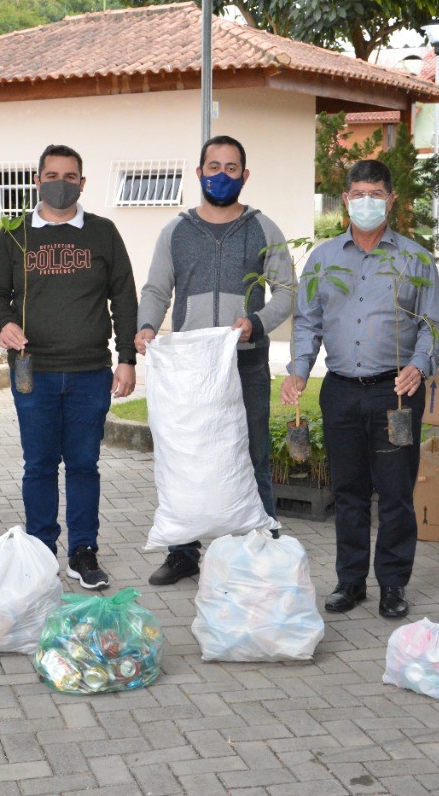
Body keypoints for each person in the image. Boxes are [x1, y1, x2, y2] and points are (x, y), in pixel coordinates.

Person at [283, 159, 439, 618]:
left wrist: (419, 365)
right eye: (358, 194)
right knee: (349, 490)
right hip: (340, 391)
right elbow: (308, 322)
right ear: (346, 202)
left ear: (391, 200)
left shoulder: (414, 259)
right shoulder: (323, 258)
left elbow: (435, 325)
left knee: (395, 492)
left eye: (375, 194)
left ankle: (393, 584)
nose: (366, 202)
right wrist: (298, 370)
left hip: (395, 394)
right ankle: (350, 582)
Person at [136, 134, 296, 585]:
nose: (221, 175)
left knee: (254, 454)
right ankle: (183, 553)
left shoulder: (265, 229)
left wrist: (257, 324)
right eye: (213, 167)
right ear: (199, 172)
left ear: (244, 176)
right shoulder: (176, 231)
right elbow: (155, 290)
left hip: (244, 362)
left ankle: (261, 546)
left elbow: (286, 291)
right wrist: (147, 325)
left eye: (231, 168)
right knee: (187, 456)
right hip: (191, 369)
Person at [0, 144, 138, 589]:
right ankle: (40, 549)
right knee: (39, 465)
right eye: (52, 174)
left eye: (70, 176)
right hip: (35, 373)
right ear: (37, 180)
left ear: (83, 183)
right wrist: (5, 323)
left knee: (85, 464)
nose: (61, 183)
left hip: (91, 371)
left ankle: (83, 552)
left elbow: (124, 298)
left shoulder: (103, 233)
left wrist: (125, 358)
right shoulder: (14, 235)